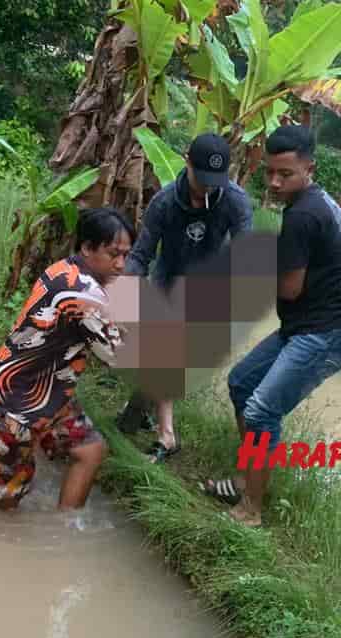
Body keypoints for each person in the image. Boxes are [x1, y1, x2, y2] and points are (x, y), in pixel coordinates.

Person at [198, 124, 341, 527]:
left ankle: (252, 510)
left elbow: (289, 289)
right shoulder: (316, 201)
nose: (274, 182)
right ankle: (247, 478)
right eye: (270, 172)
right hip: (311, 324)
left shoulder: (303, 215)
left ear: (309, 168)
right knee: (242, 383)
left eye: (285, 174)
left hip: (329, 330)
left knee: (260, 412)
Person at [0, 208, 133, 510]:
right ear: (86, 248)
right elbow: (118, 355)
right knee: (2, 501)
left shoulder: (64, 269)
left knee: (90, 450)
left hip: (48, 394)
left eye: (126, 255)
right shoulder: (85, 297)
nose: (121, 264)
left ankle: (64, 529)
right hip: (13, 404)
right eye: (114, 254)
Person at [117, 132, 253, 463]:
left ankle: (140, 416)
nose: (207, 188)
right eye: (201, 178)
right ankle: (164, 433)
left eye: (214, 181)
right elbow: (141, 254)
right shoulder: (164, 203)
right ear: (187, 161)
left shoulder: (234, 201)